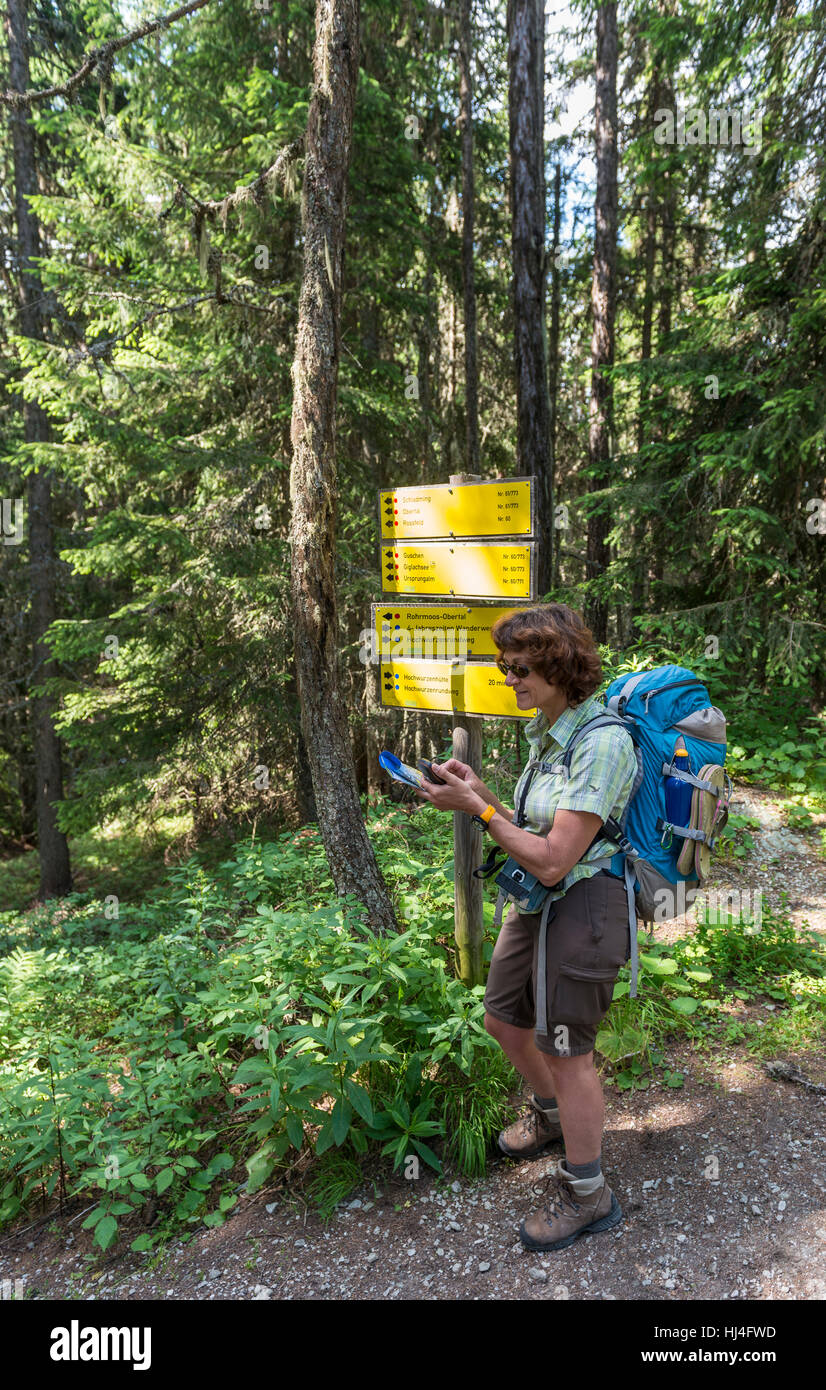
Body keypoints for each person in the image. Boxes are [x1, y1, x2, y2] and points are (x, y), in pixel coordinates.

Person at [414, 603, 638, 1252]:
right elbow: (538, 827)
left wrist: (478, 808)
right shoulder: (548, 730)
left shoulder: (602, 742)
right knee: (504, 1020)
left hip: (585, 905)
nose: (508, 677)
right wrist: (483, 792)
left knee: (568, 1051)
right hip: (540, 900)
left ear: (560, 665)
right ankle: (549, 1121)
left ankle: (590, 1196)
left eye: (520, 667)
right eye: (502, 665)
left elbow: (553, 856)